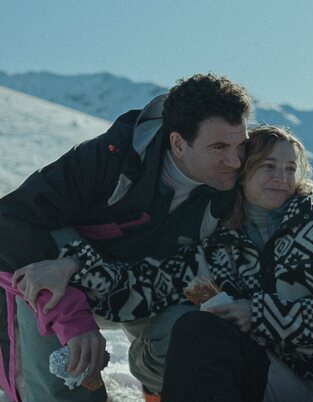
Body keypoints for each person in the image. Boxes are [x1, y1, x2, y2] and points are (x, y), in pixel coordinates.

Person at [35, 126, 313, 401]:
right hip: (281, 380)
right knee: (196, 329)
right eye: (268, 166)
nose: (281, 177)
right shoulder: (219, 247)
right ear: (243, 172)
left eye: (289, 168)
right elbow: (140, 289)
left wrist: (260, 315)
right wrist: (74, 265)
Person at [2, 73, 251, 401]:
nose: (235, 161)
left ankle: (157, 389)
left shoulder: (237, 185)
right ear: (178, 143)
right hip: (64, 294)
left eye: (241, 145)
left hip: (142, 290)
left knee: (194, 327)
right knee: (62, 369)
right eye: (219, 147)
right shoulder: (106, 160)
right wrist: (73, 319)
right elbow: (9, 223)